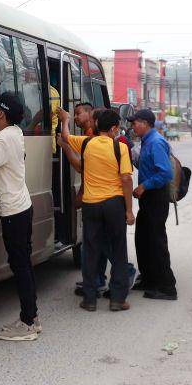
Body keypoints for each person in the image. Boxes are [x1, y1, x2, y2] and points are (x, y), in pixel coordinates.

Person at [0, 91, 40, 341]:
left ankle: (28, 322)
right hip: (21, 206)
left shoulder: (3, 138)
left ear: (1, 114)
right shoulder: (14, 133)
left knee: (20, 265)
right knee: (23, 263)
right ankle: (31, 317)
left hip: (13, 210)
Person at [60, 108, 135, 311]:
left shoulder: (86, 143)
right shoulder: (120, 148)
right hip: (114, 204)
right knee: (119, 252)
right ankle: (118, 299)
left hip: (91, 204)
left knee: (91, 250)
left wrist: (65, 120)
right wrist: (129, 210)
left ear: (95, 125)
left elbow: (65, 137)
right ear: (113, 128)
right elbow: (127, 179)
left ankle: (90, 299)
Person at [127, 109, 177, 301]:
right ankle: (148, 278)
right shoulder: (147, 142)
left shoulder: (156, 142)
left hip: (156, 195)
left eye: (135, 123)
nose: (133, 126)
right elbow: (148, 166)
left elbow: (165, 173)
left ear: (146, 123)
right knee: (143, 238)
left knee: (156, 241)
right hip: (148, 197)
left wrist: (143, 186)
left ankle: (167, 287)